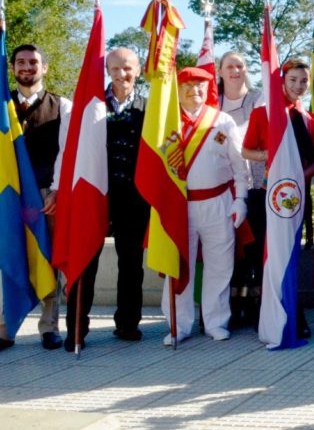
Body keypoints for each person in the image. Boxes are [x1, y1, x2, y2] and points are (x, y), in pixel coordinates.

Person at [58, 48, 150, 350]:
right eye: (115, 68)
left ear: (137, 70)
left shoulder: (149, 108)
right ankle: (76, 330)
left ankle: (127, 324)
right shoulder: (91, 106)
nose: (121, 74)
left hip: (133, 198)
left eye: (127, 68)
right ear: (107, 70)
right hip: (95, 193)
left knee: (131, 263)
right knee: (86, 261)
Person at [161, 67, 248, 345]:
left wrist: (240, 200)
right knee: (178, 265)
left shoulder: (222, 122)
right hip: (179, 206)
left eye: (199, 86)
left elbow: (239, 166)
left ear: (207, 88)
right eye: (187, 86)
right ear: (178, 89)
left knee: (220, 265)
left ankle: (215, 321)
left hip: (217, 202)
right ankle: (179, 324)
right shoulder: (167, 122)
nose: (193, 91)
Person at [242, 59, 314, 338]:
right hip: (266, 197)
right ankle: (268, 314)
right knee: (266, 258)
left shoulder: (310, 119)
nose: (298, 86)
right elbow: (246, 150)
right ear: (282, 81)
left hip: (295, 200)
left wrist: (299, 176)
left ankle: (294, 314)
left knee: (290, 258)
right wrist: (270, 158)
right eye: (293, 80)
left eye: (303, 81)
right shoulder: (263, 114)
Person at [0, 44, 68, 351]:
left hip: (45, 194)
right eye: (21, 62)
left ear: (45, 68)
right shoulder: (3, 107)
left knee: (48, 257)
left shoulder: (62, 106)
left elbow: (67, 153)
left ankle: (49, 326)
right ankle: (5, 326)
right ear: (12, 68)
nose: (27, 67)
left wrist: (58, 188)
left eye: (33, 62)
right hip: (8, 197)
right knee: (7, 256)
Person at [217, 51, 265, 329]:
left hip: (255, 184)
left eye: (240, 65)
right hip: (225, 187)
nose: (235, 71)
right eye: (229, 66)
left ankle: (257, 307)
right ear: (220, 71)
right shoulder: (214, 102)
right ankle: (231, 308)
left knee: (255, 250)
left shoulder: (258, 99)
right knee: (229, 251)